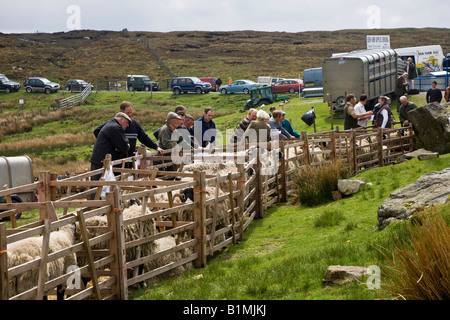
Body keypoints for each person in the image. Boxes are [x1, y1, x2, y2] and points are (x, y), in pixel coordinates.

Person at [94, 101, 164, 158]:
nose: (129, 115)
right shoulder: (113, 124)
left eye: (131, 113)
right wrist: (108, 146)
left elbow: (144, 137)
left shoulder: (134, 124)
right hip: (116, 160)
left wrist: (156, 147)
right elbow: (97, 131)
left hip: (130, 159)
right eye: (127, 113)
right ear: (121, 112)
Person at [90, 112, 131, 182]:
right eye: (127, 123)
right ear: (121, 120)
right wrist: (127, 146)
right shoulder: (115, 127)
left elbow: (97, 130)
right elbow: (123, 146)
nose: (127, 125)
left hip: (98, 159)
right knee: (97, 185)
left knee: (97, 184)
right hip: (102, 162)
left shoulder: (110, 124)